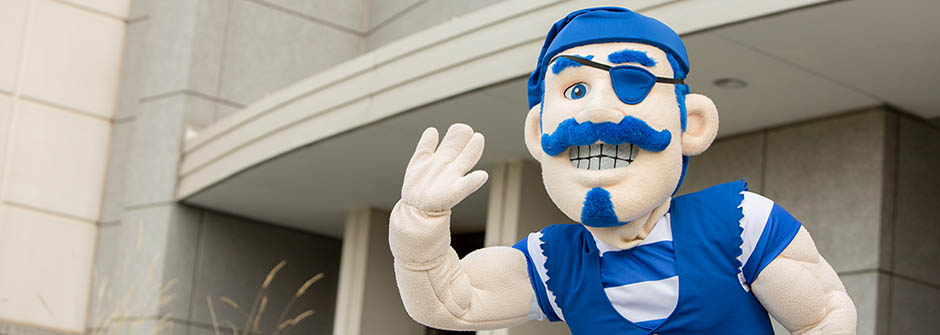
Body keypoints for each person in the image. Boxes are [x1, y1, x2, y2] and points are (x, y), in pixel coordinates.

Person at [389, 7, 856, 334]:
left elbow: (823, 318)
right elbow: (452, 302)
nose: (596, 111)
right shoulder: (553, 262)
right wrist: (419, 225)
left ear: (691, 124)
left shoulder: (742, 227)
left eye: (633, 80)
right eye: (573, 90)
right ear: (538, 134)